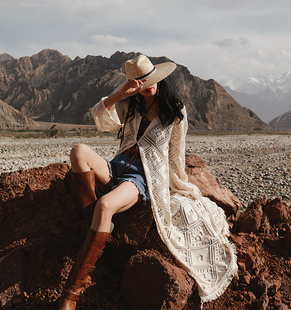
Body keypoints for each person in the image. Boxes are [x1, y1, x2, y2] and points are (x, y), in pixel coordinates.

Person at [58, 54, 237, 310]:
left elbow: (175, 153)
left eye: (149, 78)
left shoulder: (175, 110)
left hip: (141, 178)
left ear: (159, 78)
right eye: (140, 81)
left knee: (105, 206)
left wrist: (178, 185)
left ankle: (70, 295)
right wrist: (121, 93)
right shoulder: (131, 104)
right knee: (78, 151)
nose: (146, 84)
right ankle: (95, 229)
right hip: (116, 167)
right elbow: (99, 118)